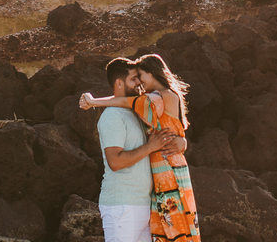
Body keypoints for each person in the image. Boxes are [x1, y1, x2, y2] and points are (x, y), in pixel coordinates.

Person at [81, 54, 200, 241]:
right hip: (123, 205)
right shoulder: (113, 116)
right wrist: (151, 146)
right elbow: (115, 162)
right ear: (120, 83)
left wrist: (182, 142)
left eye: (139, 76)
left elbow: (131, 103)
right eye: (134, 79)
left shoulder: (140, 111)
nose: (138, 83)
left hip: (147, 202)